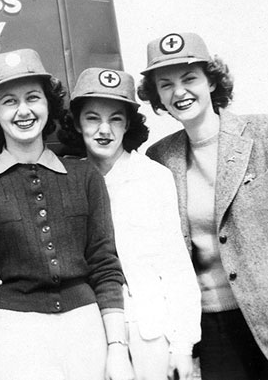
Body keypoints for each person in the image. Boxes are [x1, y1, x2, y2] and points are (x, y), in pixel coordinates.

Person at [137, 31, 268, 379]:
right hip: (213, 328)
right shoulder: (159, 158)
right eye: (165, 84)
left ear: (211, 81)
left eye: (189, 78)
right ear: (157, 97)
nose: (179, 92)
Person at [0, 49, 132, 380]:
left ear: (49, 105)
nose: (24, 111)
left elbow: (105, 265)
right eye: (9, 101)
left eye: (33, 97)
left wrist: (117, 346)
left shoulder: (85, 176)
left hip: (85, 327)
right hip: (12, 331)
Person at [56, 67, 201, 379]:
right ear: (77, 122)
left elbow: (175, 264)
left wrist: (182, 345)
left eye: (116, 119)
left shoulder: (153, 177)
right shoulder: (65, 178)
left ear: (129, 125)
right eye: (92, 117)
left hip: (150, 327)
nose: (104, 129)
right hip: (90, 324)